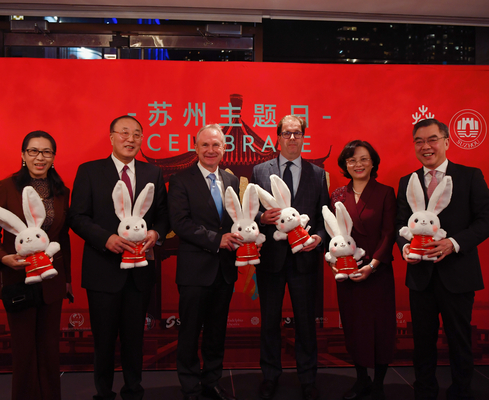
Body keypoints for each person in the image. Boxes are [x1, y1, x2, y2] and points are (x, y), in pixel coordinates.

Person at [68, 115, 169, 400]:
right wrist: (106, 239)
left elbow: (163, 215)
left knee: (135, 338)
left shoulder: (153, 172)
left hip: (139, 271)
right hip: (103, 270)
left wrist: (156, 233)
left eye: (136, 134)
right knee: (104, 339)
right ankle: (103, 393)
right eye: (124, 133)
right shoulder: (90, 171)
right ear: (111, 137)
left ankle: (133, 389)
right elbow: (77, 217)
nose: (130, 139)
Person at [395, 119, 489, 400]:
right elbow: (400, 224)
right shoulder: (408, 181)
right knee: (422, 341)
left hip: (458, 274)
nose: (425, 146)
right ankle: (424, 391)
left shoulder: (470, 176)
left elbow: (487, 220)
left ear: (447, 142)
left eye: (432, 139)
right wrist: (405, 247)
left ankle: (461, 391)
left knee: (459, 340)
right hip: (420, 277)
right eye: (419, 141)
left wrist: (453, 243)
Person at [0, 130, 72, 400]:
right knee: (24, 350)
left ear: (53, 157)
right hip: (17, 279)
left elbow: (62, 237)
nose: (39, 157)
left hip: (52, 279)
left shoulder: (61, 191)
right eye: (33, 151)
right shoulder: (7, 186)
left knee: (49, 348)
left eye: (46, 152)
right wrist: (3, 258)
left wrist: (67, 279)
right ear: (23, 155)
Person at [250, 115, 328, 400]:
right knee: (269, 322)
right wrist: (261, 218)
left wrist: (318, 239)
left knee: (306, 323)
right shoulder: (260, 171)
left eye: (297, 133)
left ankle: (308, 378)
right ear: (278, 138)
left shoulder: (317, 174)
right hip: (271, 260)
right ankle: (270, 376)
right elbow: (249, 213)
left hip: (305, 261)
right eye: (286, 133)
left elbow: (324, 217)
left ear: (303, 137)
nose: (292, 138)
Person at [168, 124, 242, 400]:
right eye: (205, 145)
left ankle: (212, 381)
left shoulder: (232, 180)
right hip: (194, 271)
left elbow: (236, 219)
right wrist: (216, 240)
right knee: (189, 332)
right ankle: (190, 387)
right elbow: (180, 223)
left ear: (224, 148)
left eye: (216, 145)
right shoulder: (180, 180)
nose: (211, 150)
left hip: (224, 270)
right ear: (196, 147)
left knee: (216, 332)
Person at [329, 140, 396, 400]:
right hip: (348, 272)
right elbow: (334, 234)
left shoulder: (385, 192)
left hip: (377, 272)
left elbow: (389, 234)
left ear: (373, 162)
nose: (358, 164)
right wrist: (333, 262)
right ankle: (361, 379)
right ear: (345, 165)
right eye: (352, 160)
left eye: (364, 159)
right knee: (354, 327)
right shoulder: (338, 195)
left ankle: (379, 383)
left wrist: (373, 265)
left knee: (381, 329)